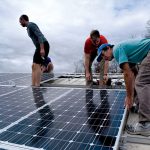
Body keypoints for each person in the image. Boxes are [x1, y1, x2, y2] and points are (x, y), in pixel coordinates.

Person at [97, 39, 150, 136]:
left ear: (108, 48)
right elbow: (133, 73)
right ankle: (143, 109)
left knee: (141, 83)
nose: (104, 58)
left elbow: (127, 74)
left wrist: (129, 97)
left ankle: (145, 125)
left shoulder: (117, 50)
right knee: (140, 82)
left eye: (103, 55)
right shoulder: (127, 53)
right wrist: (132, 96)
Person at [19, 14, 50, 87]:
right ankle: (33, 85)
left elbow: (39, 35)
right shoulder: (28, 28)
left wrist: (42, 48)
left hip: (43, 45)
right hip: (39, 46)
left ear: (23, 19)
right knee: (33, 66)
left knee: (36, 65)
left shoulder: (31, 25)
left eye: (20, 22)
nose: (20, 24)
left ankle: (37, 85)